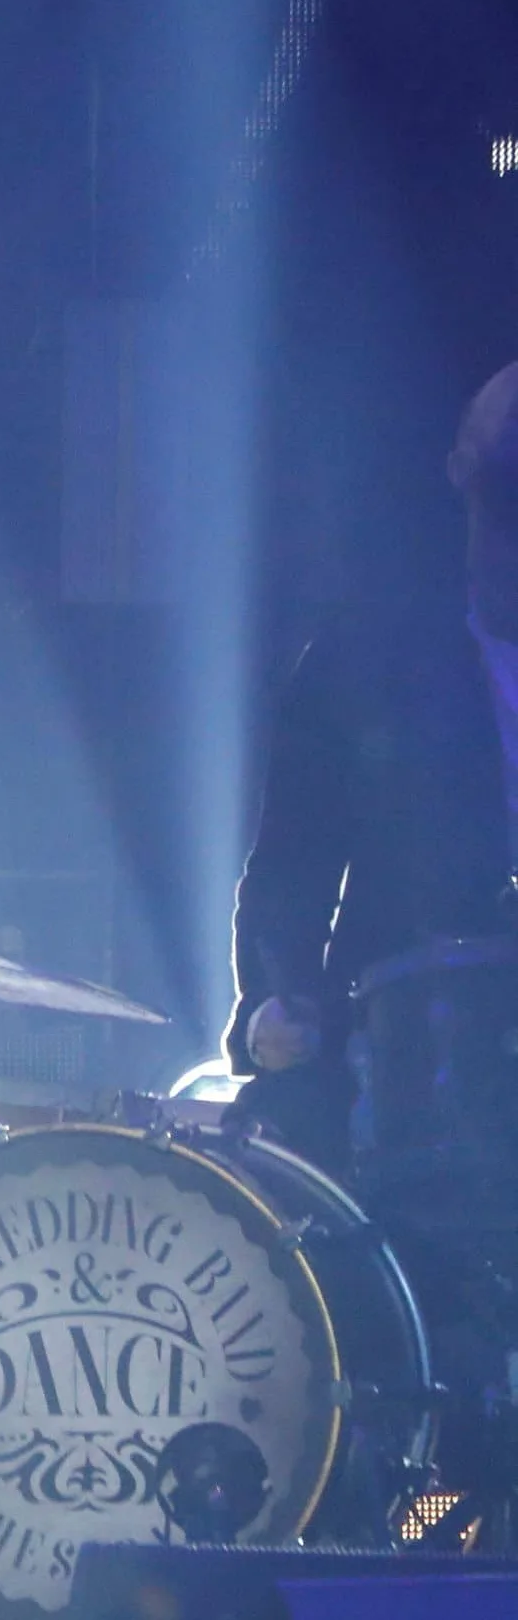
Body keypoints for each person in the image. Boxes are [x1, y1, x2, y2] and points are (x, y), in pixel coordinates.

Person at [229, 359, 518, 1168]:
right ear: (461, 472)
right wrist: (275, 1009)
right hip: (413, 1076)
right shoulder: (366, 663)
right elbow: (290, 866)